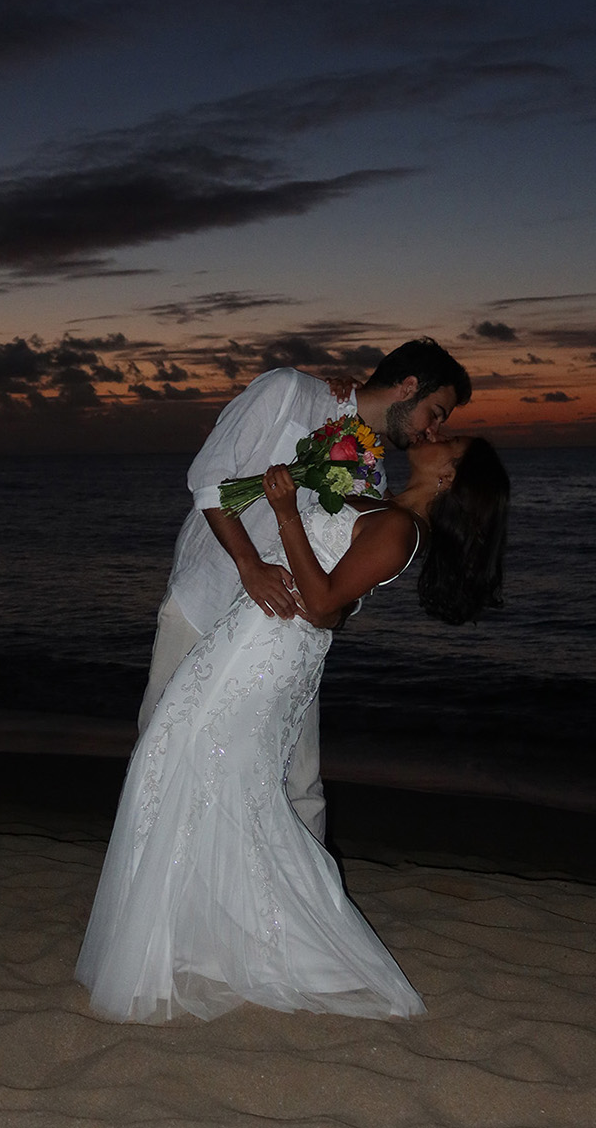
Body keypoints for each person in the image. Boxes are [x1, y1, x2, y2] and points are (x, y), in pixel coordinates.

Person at [76, 434, 509, 1024]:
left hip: (269, 655)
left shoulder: (403, 532)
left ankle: (268, 940)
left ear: (451, 477)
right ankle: (192, 933)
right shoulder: (377, 502)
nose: (431, 437)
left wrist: (285, 515)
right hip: (245, 635)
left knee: (204, 770)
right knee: (177, 760)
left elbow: (326, 603)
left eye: (445, 441)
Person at [137, 338, 472, 840]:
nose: (434, 428)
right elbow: (208, 476)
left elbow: (344, 571)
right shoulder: (289, 390)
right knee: (163, 744)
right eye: (436, 411)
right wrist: (249, 565)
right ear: (407, 387)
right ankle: (152, 879)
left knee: (298, 780)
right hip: (206, 602)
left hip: (285, 632)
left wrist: (335, 611)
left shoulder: (373, 474)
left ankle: (302, 900)